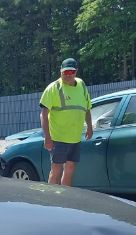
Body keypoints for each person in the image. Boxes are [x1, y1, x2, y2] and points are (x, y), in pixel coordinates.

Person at [39, 58, 93, 186]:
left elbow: (87, 109)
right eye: (65, 72)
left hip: (75, 138)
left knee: (70, 168)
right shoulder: (53, 88)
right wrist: (47, 137)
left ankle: (65, 199)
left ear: (76, 71)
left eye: (71, 72)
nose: (68, 75)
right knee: (56, 169)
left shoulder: (81, 85)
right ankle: (52, 199)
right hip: (58, 138)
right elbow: (43, 113)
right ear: (61, 72)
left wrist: (90, 127)